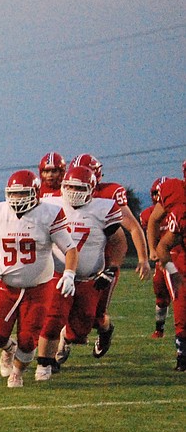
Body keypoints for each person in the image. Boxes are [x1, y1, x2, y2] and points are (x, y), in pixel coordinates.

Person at [0, 170, 78, 388]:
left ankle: (17, 372)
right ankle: (8, 349)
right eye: (13, 194)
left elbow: (70, 248)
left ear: (35, 192)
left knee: (28, 338)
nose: (17, 199)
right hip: (7, 285)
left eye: (22, 194)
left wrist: (69, 274)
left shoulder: (49, 213)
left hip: (38, 287)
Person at [34, 164, 123, 379]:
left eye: (80, 189)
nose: (73, 193)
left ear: (92, 190)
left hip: (89, 278)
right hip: (58, 274)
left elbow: (119, 241)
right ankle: (46, 363)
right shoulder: (50, 203)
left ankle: (94, 333)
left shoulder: (104, 209)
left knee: (81, 329)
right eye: (70, 187)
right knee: (53, 318)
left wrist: (111, 268)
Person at [59, 153, 150, 364]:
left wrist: (143, 258)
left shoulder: (109, 195)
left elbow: (132, 227)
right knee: (59, 306)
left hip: (104, 263)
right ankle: (60, 343)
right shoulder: (62, 193)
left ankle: (105, 330)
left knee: (96, 315)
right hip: (70, 262)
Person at [146, 172, 186, 370]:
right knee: (180, 301)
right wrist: (153, 250)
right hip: (178, 256)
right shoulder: (178, 206)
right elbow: (156, 227)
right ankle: (182, 352)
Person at [143, 177, 176, 339]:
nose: (157, 196)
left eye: (159, 193)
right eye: (155, 193)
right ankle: (159, 329)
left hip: (178, 255)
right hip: (163, 261)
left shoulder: (177, 209)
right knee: (160, 294)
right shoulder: (148, 215)